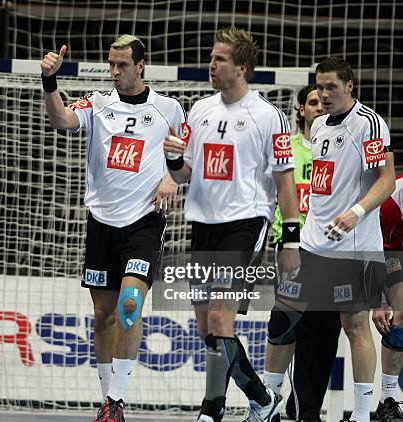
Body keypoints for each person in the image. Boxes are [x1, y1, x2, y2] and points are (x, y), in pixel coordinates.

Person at [41, 35, 189, 422]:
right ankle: (108, 401)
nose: (115, 71)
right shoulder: (98, 102)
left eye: (122, 64)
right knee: (103, 314)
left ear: (142, 65)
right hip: (101, 220)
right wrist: (50, 81)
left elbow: (186, 162)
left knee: (129, 305)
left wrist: (173, 179)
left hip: (144, 220)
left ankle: (117, 401)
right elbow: (61, 120)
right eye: (111, 64)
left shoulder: (169, 109)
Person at [163, 26, 300, 422]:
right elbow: (185, 173)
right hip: (202, 223)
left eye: (219, 58)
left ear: (241, 67)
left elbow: (284, 179)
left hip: (244, 223)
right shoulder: (200, 110)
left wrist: (288, 239)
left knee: (222, 319)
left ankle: (212, 409)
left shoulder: (268, 116)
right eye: (211, 56)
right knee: (208, 326)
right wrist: (173, 158)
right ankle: (259, 398)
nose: (211, 64)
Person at [264, 56, 395, 422]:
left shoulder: (369, 124)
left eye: (331, 87)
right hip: (312, 244)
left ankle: (363, 414)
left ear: (349, 86)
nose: (323, 94)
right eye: (319, 87)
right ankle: (268, 403)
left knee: (355, 326)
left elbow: (386, 180)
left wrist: (356, 212)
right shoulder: (319, 125)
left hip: (354, 247)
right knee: (283, 318)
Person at [269, 86, 342, 422]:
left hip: (331, 250)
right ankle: (281, 400)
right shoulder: (290, 150)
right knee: (291, 325)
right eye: (312, 103)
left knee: (326, 334)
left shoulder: (337, 150)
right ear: (300, 111)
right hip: (295, 249)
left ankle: (301, 405)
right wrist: (288, 242)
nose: (319, 107)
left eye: (323, 102)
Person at [373, 175, 403, 421]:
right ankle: (388, 400)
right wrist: (379, 300)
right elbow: (374, 245)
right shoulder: (395, 196)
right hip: (391, 251)